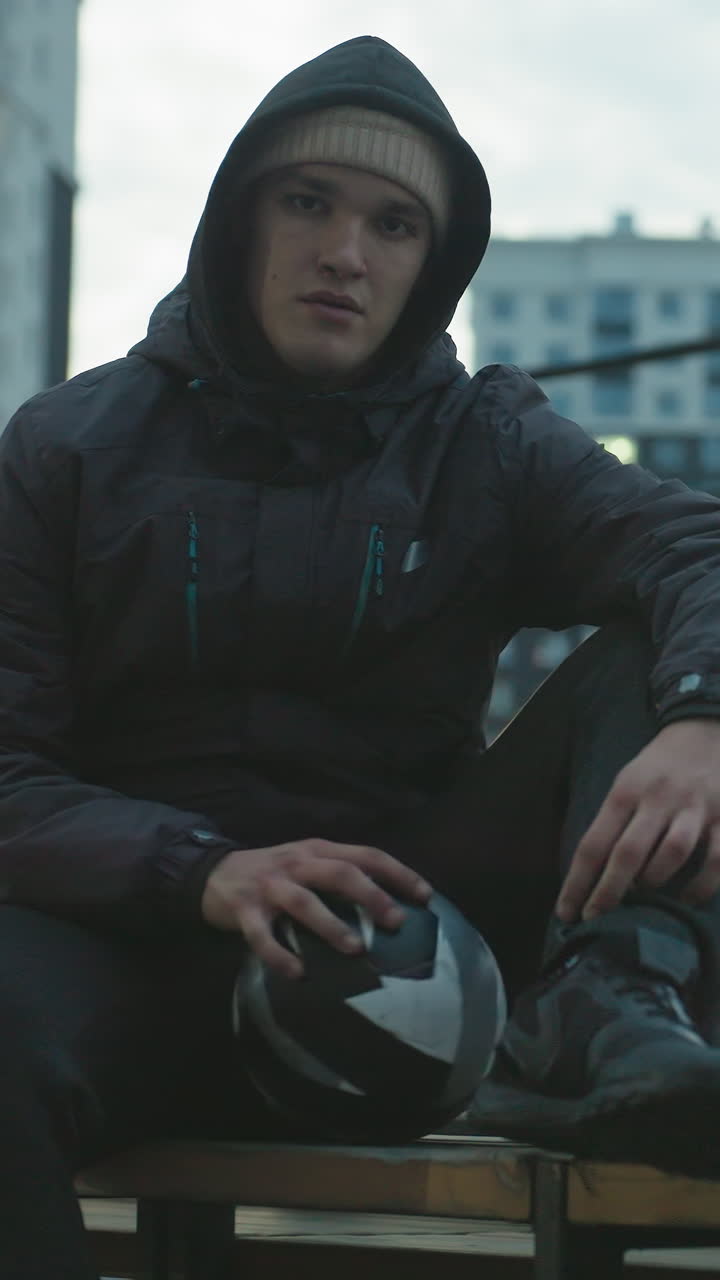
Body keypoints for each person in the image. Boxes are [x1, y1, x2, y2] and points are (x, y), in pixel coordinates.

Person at [2, 32, 720, 1277]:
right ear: (238, 219)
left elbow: (694, 547)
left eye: (394, 224)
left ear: (430, 263)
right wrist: (204, 868)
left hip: (422, 923)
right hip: (138, 937)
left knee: (661, 649)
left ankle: (600, 1010)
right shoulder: (67, 447)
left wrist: (706, 715)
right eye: (308, 201)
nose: (346, 251)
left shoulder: (484, 439)